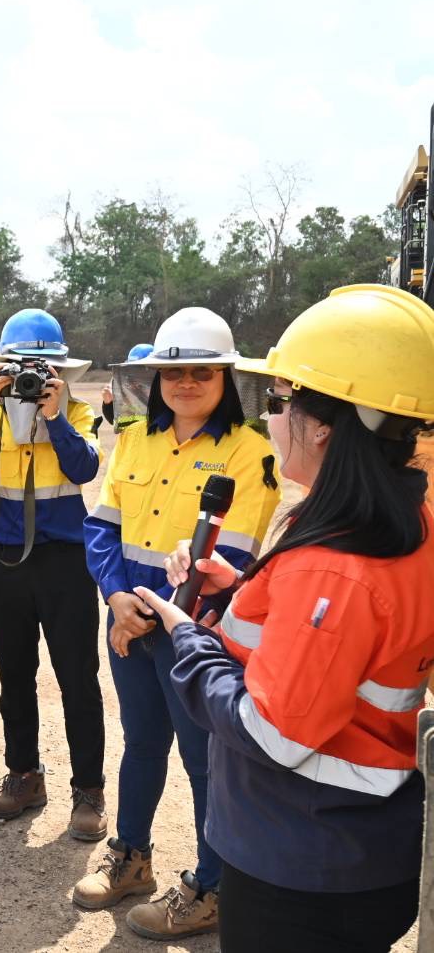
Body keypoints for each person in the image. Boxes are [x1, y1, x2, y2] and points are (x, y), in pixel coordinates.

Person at [127, 284, 434, 953]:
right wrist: (237, 591)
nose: (270, 420)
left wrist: (188, 638)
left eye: (279, 402)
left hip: (304, 862)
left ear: (322, 425)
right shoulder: (402, 517)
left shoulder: (332, 564)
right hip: (357, 850)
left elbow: (274, 734)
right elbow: (335, 644)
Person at [71, 306, 282, 941]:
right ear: (155, 378)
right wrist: (117, 600)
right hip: (128, 621)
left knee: (203, 760)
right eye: (173, 372)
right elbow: (102, 527)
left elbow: (230, 559)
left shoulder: (250, 452)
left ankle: (213, 887)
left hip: (194, 633)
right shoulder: (134, 439)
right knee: (141, 743)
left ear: (226, 379)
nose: (186, 383)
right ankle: (131, 857)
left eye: (202, 372)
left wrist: (152, 618)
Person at [0, 309, 106, 840]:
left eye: (42, 368)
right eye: (20, 367)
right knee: (14, 675)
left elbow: (84, 467)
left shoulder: (78, 410)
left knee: (77, 679)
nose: (31, 377)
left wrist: (55, 417)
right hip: (4, 561)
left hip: (65, 562)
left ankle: (89, 789)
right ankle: (23, 775)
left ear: (60, 370)